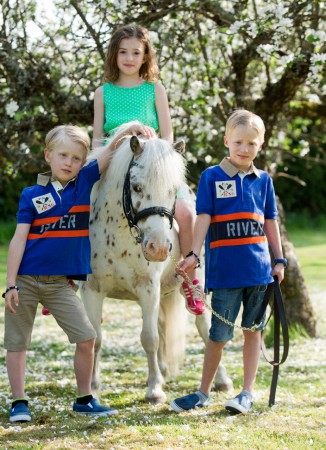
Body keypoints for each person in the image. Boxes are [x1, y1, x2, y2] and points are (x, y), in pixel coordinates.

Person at [3, 122, 149, 423]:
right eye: (63, 155)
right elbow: (18, 240)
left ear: (84, 162)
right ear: (48, 156)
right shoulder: (31, 194)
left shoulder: (85, 182)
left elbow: (109, 151)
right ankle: (19, 402)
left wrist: (131, 127)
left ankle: (84, 399)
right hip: (26, 281)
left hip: (60, 285)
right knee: (18, 343)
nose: (69, 163)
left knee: (86, 338)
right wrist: (10, 284)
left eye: (76, 158)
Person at [170, 109, 287, 415]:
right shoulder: (212, 177)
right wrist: (193, 254)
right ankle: (203, 392)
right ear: (226, 141)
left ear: (260, 145)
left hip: (260, 273)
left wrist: (279, 259)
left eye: (251, 143)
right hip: (225, 274)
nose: (244, 148)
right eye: (238, 142)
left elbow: (270, 222)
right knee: (218, 336)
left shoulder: (264, 181)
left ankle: (247, 393)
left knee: (253, 331)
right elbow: (204, 217)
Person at [92, 23, 204, 316]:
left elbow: (168, 136)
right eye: (123, 52)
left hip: (153, 167)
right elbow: (96, 138)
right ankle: (67, 274)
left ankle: (190, 280)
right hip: (113, 167)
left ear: (145, 56)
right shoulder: (103, 93)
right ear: (114, 55)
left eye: (136, 52)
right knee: (78, 203)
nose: (129, 58)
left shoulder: (155, 89)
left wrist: (154, 150)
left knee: (186, 213)